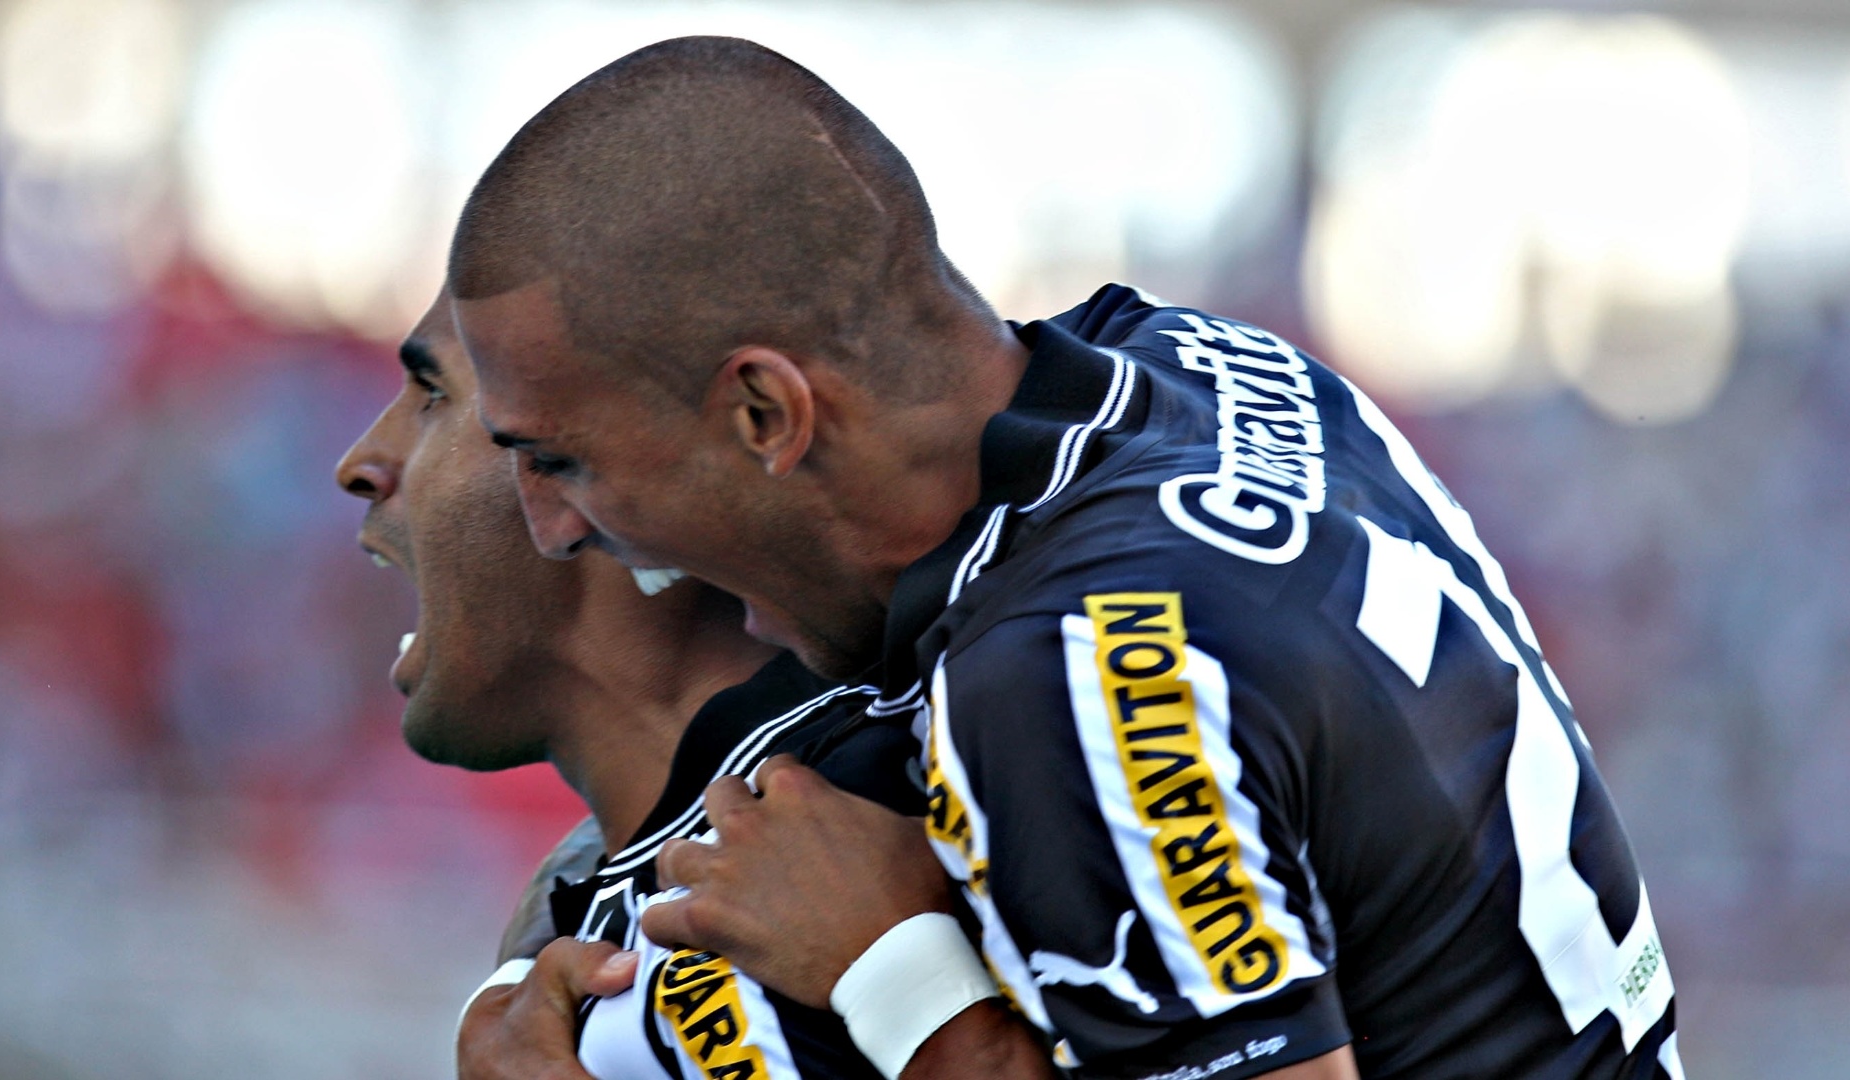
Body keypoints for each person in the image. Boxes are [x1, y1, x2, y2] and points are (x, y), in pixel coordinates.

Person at [446, 35, 1684, 1080]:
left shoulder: (1073, 674)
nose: (552, 527)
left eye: (563, 462)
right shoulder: (1205, 361)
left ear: (767, 414)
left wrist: (902, 984)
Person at [334, 289, 925, 1079]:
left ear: (590, 471)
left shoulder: (891, 825)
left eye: (434, 393)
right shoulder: (642, 876)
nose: (361, 463)